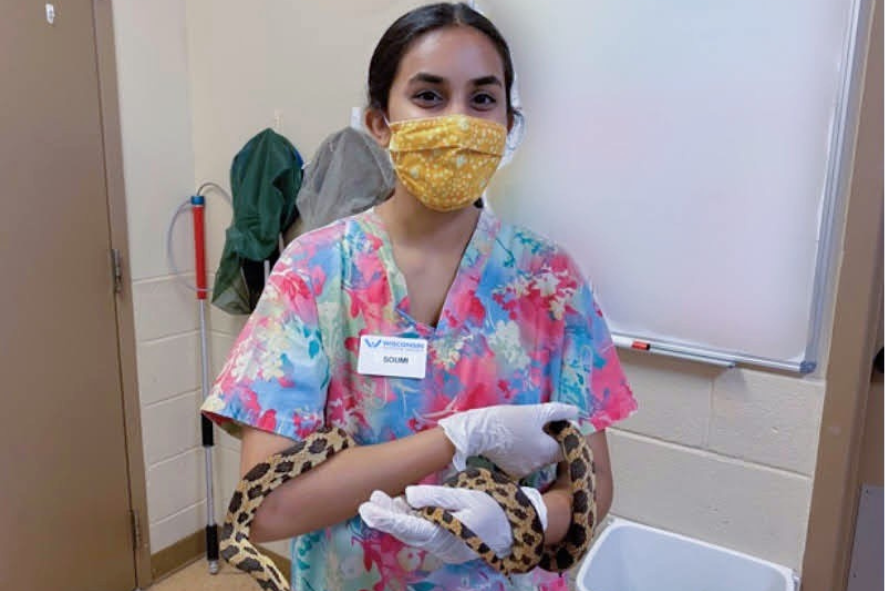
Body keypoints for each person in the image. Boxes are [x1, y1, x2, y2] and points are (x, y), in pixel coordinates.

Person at [200, 3, 637, 590]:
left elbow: (591, 481)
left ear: (508, 123)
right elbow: (270, 510)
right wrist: (454, 441)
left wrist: (530, 517)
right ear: (380, 123)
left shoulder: (549, 280)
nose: (458, 122)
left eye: (483, 100)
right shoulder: (315, 271)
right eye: (429, 97)